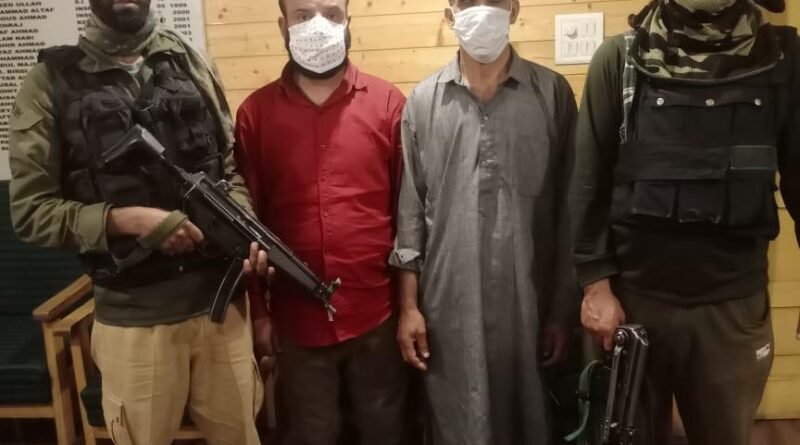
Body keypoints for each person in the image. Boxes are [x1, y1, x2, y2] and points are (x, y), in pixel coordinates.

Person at [8, 1, 267, 443]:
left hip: (221, 313)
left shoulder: (191, 64)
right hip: (134, 324)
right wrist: (124, 220)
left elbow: (228, 168)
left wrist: (242, 232)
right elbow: (31, 211)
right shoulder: (49, 82)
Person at [571, 1, 800, 444]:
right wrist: (595, 284)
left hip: (731, 309)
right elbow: (587, 183)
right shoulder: (618, 59)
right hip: (633, 304)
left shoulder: (783, 59)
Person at [391, 1, 579, 444]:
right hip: (449, 314)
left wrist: (561, 311)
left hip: (529, 309)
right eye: (467, 1)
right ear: (449, 13)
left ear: (514, 9)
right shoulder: (424, 101)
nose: (481, 8)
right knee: (458, 423)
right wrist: (409, 308)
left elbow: (569, 214)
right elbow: (410, 215)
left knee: (529, 419)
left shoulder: (551, 94)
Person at [233, 0, 409, 443]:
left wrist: (410, 307)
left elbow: (408, 217)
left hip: (377, 314)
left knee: (386, 432)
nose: (318, 25)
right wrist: (259, 313)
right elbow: (246, 225)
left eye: (332, 14)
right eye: (302, 14)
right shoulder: (254, 114)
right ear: (282, 25)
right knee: (312, 435)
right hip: (296, 322)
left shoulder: (389, 104)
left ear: (349, 21)